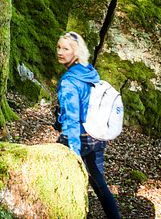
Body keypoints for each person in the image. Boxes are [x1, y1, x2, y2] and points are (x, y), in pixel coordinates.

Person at [56, 31, 121, 219]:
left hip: (78, 139)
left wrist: (73, 153)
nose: (60, 52)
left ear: (76, 52)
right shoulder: (89, 71)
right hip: (96, 135)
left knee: (61, 183)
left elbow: (71, 120)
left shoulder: (69, 81)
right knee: (100, 184)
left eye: (66, 48)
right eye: (59, 47)